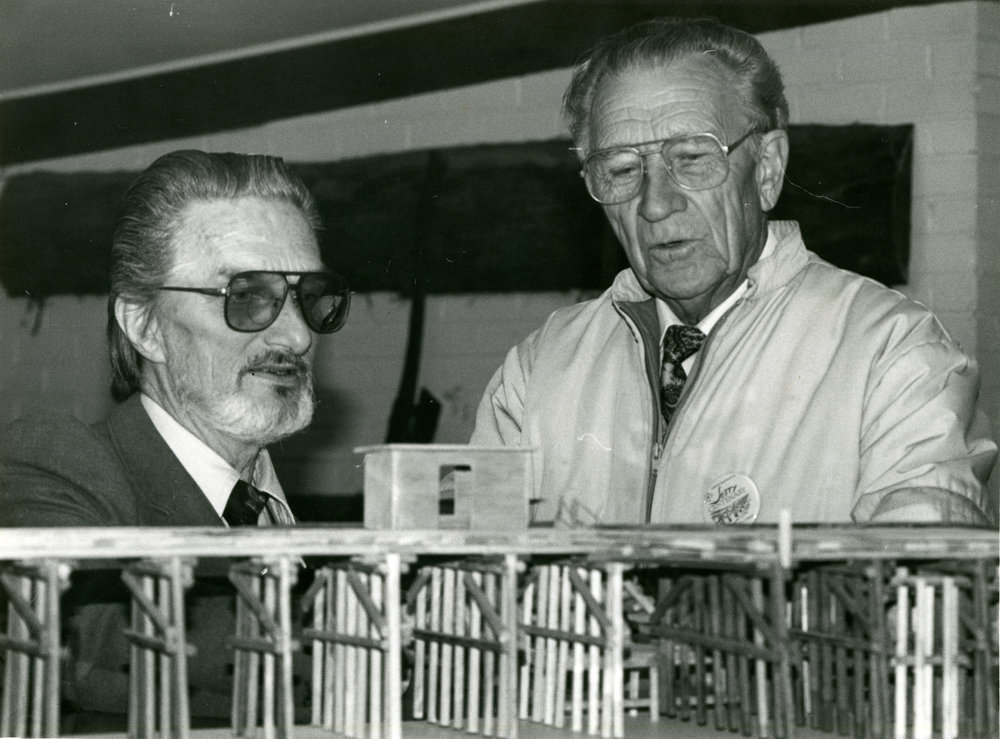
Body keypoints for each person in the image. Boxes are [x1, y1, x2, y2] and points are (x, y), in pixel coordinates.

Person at [470, 17, 996, 527]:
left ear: (766, 169)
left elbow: (924, 590)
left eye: (693, 157)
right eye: (623, 169)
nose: (655, 205)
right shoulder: (538, 371)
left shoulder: (894, 353)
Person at [0, 150, 351, 725]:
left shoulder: (267, 510)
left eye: (307, 296)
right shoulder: (55, 463)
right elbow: (102, 653)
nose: (296, 333)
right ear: (144, 326)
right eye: (245, 294)